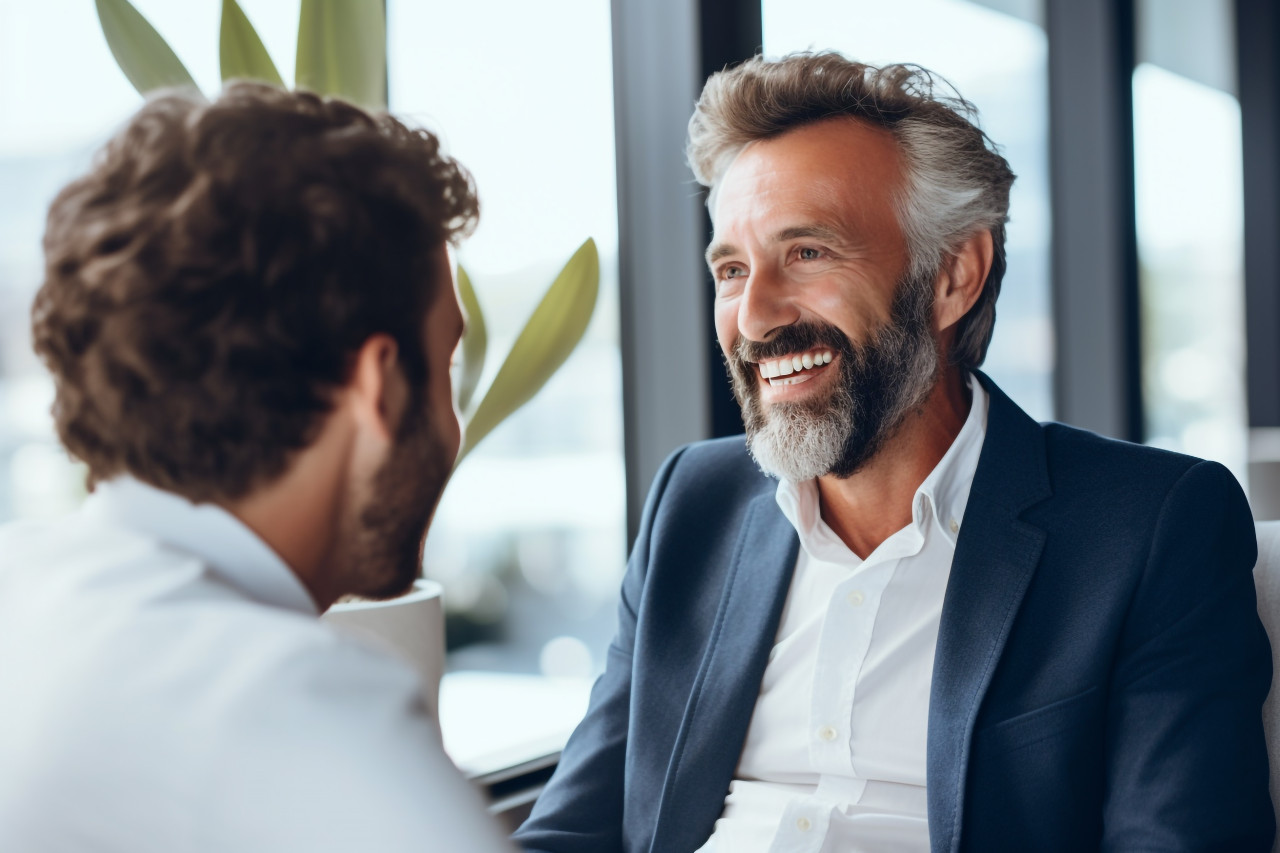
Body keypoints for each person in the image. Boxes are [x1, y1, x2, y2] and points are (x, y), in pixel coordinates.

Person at [514, 52, 1274, 852]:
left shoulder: (1149, 526)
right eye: (732, 269)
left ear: (952, 275)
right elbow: (572, 828)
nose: (756, 316)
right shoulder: (690, 502)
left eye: (807, 252)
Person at [0, 83, 512, 852]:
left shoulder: (22, 593)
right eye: (444, 366)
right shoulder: (306, 720)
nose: (451, 423)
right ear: (377, 385)